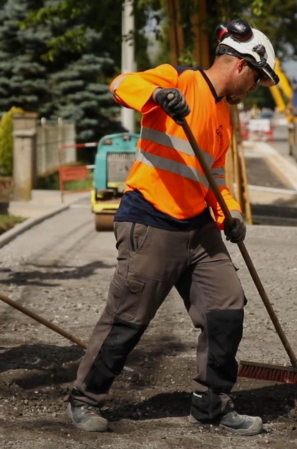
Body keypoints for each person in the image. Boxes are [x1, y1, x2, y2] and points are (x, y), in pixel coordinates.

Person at [67, 19, 280, 436]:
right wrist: (158, 96)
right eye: (255, 78)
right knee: (128, 317)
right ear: (240, 66)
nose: (252, 88)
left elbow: (214, 177)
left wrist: (229, 215)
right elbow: (120, 84)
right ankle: (85, 398)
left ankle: (212, 404)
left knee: (227, 307)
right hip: (151, 217)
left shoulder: (223, 117)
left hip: (199, 228)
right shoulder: (177, 79)